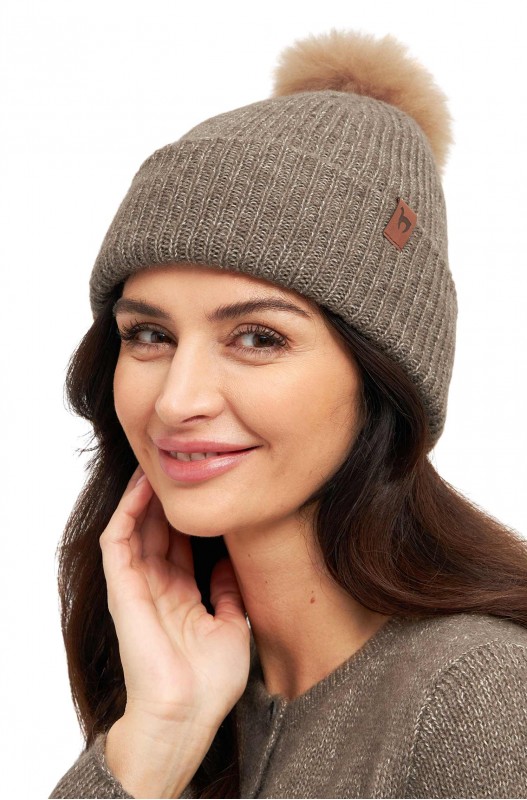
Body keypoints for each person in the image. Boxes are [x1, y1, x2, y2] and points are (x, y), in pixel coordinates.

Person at [50, 28, 527, 800]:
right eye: (148, 335)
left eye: (257, 338)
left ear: (380, 378)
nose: (176, 399)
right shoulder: (193, 689)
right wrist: (160, 734)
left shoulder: (478, 702)